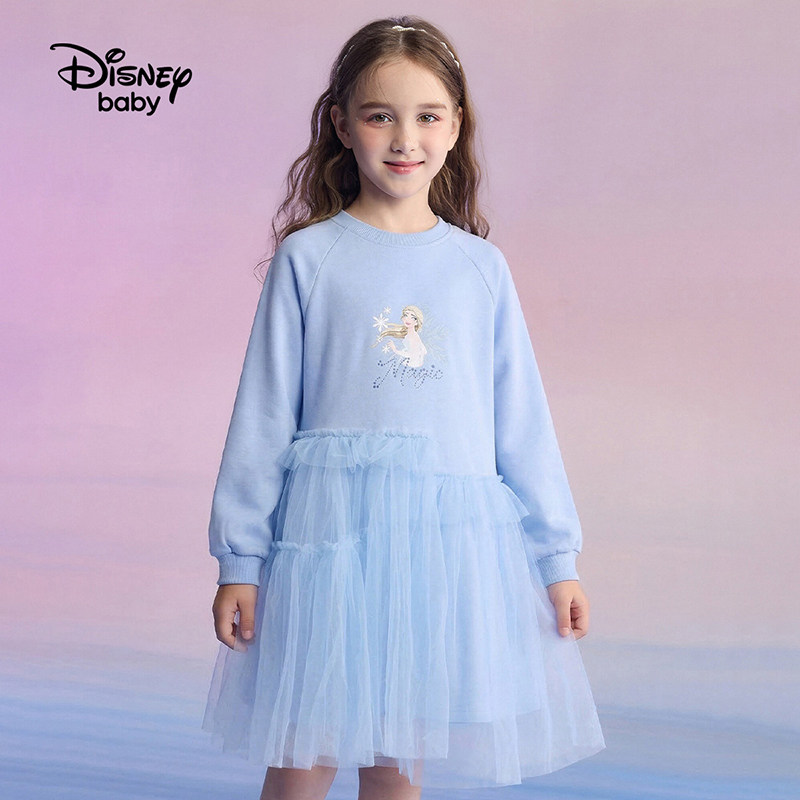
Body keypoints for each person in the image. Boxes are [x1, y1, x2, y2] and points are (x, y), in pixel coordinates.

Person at [202, 15, 605, 800]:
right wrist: (239, 561)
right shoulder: (310, 258)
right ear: (341, 124)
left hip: (438, 551)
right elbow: (263, 413)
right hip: (332, 546)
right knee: (306, 747)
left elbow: (520, 421)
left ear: (455, 126)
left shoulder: (479, 269)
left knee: (398, 755)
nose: (404, 138)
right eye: (380, 115)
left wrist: (557, 559)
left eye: (426, 116)